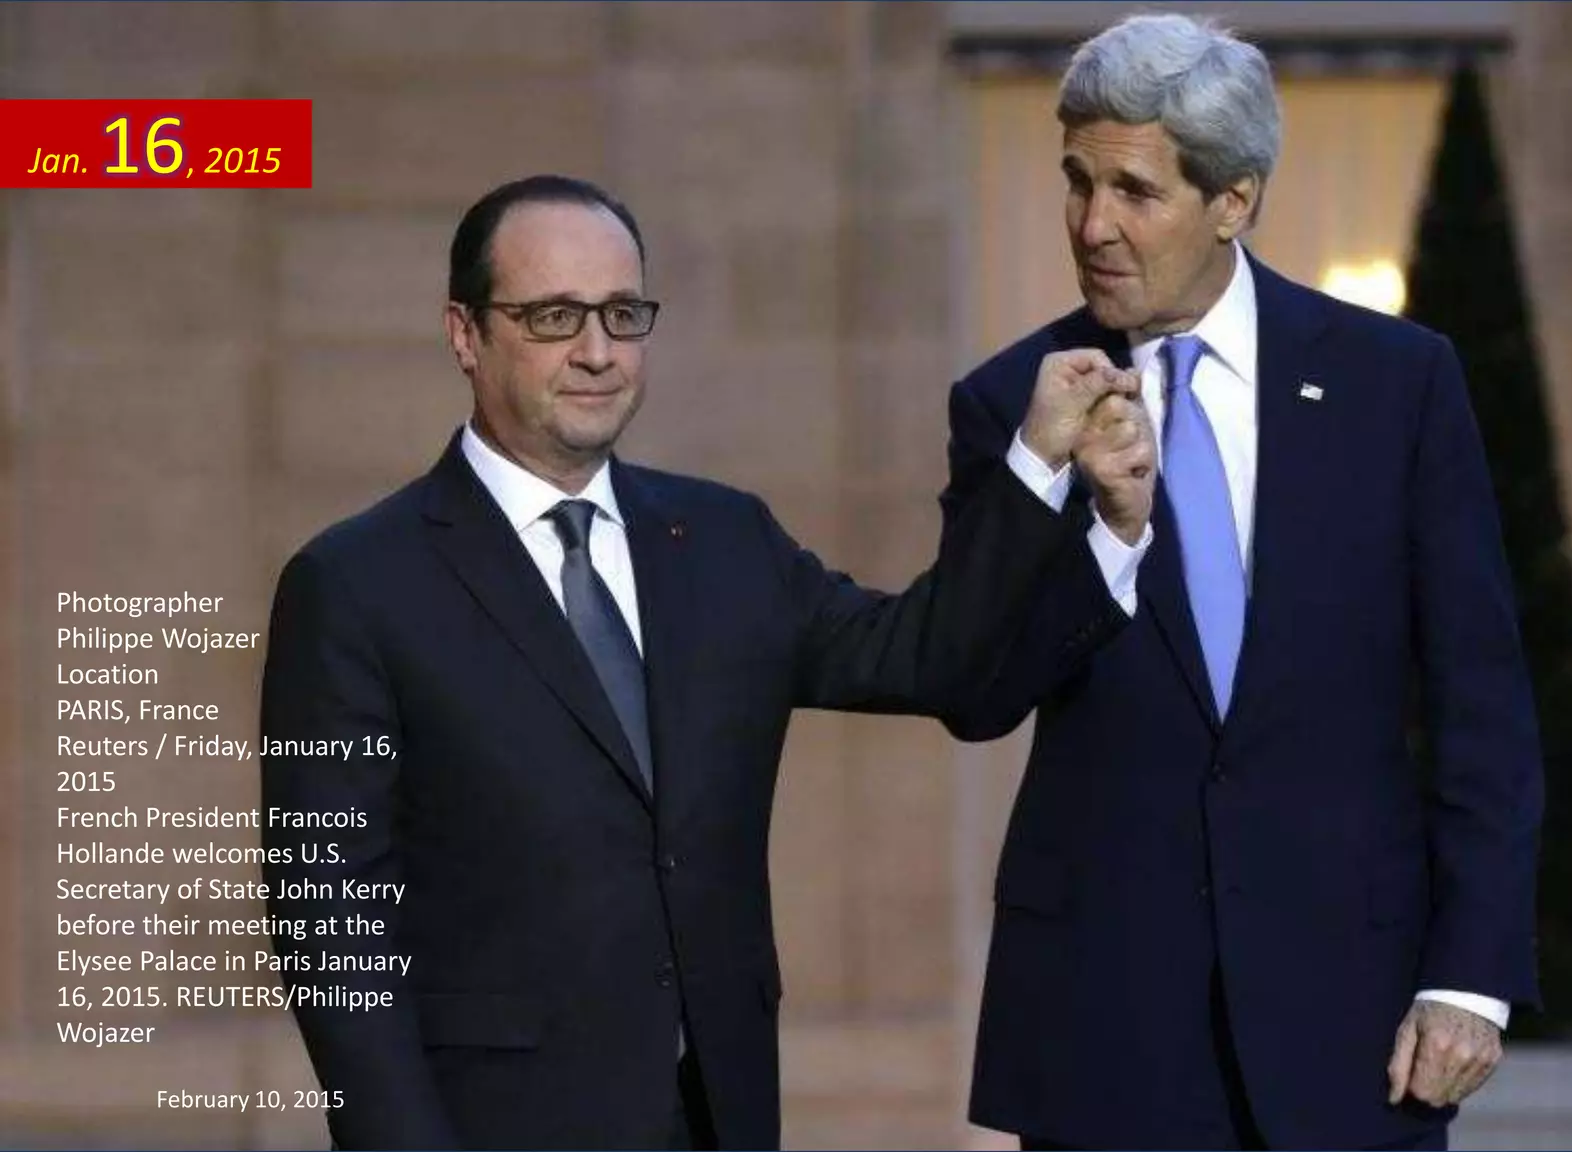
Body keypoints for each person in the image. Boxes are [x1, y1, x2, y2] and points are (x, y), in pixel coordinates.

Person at [259, 174, 1156, 1150]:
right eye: (554, 317)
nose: (596, 351)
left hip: (717, 1116)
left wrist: (1043, 472)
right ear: (465, 333)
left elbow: (930, 658)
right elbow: (329, 923)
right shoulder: (357, 583)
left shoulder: (724, 540)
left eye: (622, 314)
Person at [941, 15, 1544, 1150]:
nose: (1092, 225)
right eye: (1076, 182)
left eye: (1134, 190)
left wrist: (1471, 977)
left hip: (1356, 1025)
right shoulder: (1012, 405)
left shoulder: (1395, 384)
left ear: (1233, 200)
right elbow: (973, 690)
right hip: (1104, 1030)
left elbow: (1483, 706)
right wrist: (1069, 501)